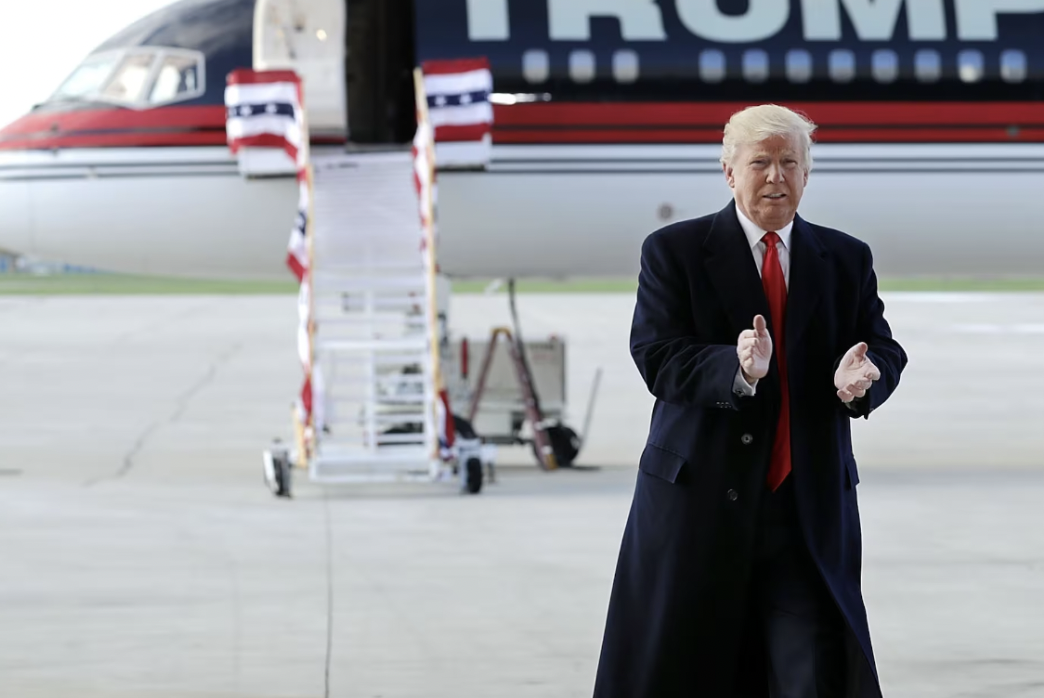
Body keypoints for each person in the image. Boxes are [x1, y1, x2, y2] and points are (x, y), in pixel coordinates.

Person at [592, 104, 908, 698]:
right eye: (760, 162)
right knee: (691, 674)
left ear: (807, 174)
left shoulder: (845, 257)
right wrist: (733, 369)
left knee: (810, 676)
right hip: (699, 508)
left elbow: (884, 347)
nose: (776, 176)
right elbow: (657, 356)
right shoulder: (675, 250)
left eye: (790, 162)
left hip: (806, 515)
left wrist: (864, 379)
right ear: (729, 171)